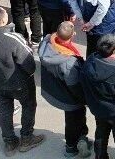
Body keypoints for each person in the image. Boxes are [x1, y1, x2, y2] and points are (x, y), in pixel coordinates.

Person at [0, 5, 44, 154]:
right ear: (2, 21)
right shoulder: (13, 38)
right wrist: (29, 74)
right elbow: (28, 62)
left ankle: (9, 142)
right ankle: (27, 138)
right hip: (20, 83)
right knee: (29, 106)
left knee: (4, 109)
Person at [38, 22, 92, 159]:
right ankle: (71, 147)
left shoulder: (47, 43)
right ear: (73, 35)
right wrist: (85, 99)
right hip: (68, 98)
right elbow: (75, 87)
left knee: (75, 119)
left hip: (55, 89)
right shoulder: (68, 62)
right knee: (73, 120)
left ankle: (81, 138)